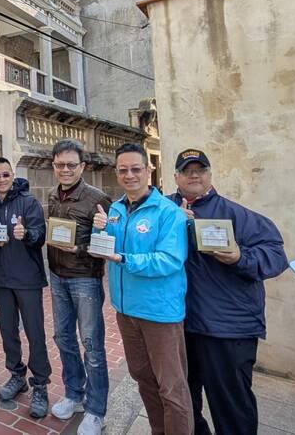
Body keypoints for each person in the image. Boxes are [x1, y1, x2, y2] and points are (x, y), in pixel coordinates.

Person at [168, 149, 287, 435]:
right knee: (182, 403)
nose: (193, 174)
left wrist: (239, 258)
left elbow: (275, 256)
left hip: (227, 330)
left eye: (200, 169)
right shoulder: (163, 210)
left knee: (232, 408)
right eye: (186, 170)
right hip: (177, 325)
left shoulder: (238, 215)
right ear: (175, 177)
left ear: (210, 174)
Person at [91, 143, 193, 434]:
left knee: (172, 388)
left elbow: (169, 260)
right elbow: (106, 246)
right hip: (126, 311)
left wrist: (124, 259)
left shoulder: (168, 213)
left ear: (149, 170)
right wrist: (100, 229)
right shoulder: (115, 209)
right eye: (123, 170)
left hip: (160, 313)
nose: (129, 175)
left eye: (136, 169)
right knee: (143, 378)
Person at [45, 140, 112, 434]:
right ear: (53, 166)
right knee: (63, 338)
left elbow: (107, 243)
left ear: (82, 167)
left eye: (71, 164)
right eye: (60, 165)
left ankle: (96, 409)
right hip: (57, 277)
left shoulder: (97, 198)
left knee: (92, 344)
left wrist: (79, 248)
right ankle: (74, 394)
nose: (66, 170)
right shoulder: (52, 195)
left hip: (85, 279)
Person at [0, 157, 50, 418]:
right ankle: (16, 375)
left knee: (35, 333)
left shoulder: (29, 202)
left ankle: (41, 384)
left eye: (5, 175)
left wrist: (27, 234)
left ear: (12, 176)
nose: (1, 179)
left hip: (28, 279)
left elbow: (40, 234)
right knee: (7, 331)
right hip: (2, 278)